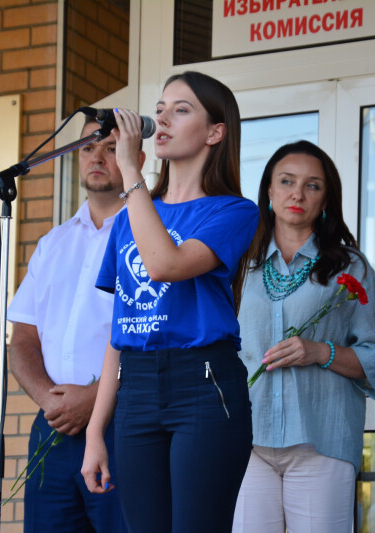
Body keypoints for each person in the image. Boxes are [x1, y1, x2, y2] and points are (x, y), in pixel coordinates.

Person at [81, 71, 259, 533]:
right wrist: (96, 431)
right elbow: (122, 327)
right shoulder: (129, 217)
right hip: (136, 387)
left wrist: (130, 172)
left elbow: (166, 265)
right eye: (159, 109)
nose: (161, 119)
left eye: (181, 110)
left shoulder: (233, 210)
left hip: (203, 382)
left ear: (215, 132)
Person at [231, 141, 375, 532]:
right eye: (286, 181)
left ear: (326, 199)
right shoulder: (239, 264)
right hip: (247, 441)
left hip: (320, 440)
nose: (297, 194)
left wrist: (320, 351)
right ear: (269, 191)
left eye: (313, 185)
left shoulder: (350, 267)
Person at [7, 116, 144, 533]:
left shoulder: (150, 237)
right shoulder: (53, 244)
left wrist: (94, 397)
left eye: (110, 147)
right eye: (87, 148)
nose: (96, 157)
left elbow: (156, 337)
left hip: (123, 424)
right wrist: (51, 401)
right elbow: (22, 341)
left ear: (137, 158)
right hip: (53, 427)